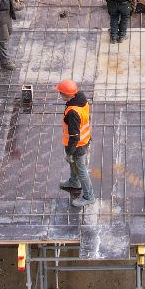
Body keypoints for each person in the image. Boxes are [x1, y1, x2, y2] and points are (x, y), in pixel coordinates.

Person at [57, 79, 94, 207]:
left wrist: (69, 152)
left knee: (81, 169)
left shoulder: (73, 112)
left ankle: (89, 196)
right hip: (84, 140)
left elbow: (74, 136)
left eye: (61, 93)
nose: (60, 95)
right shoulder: (80, 98)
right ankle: (74, 182)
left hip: (77, 145)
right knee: (74, 164)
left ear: (68, 95)